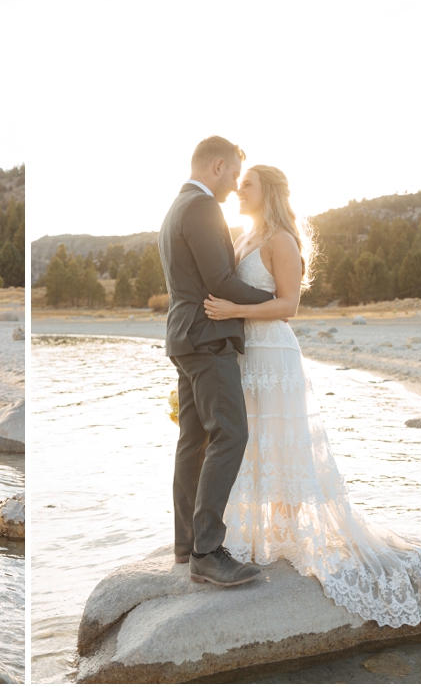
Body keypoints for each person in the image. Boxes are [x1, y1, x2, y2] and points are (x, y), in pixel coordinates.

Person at [203, 165, 421, 627]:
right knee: (251, 441)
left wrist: (234, 310)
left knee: (284, 445)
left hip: (273, 352)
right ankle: (261, 537)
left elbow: (289, 306)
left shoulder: (282, 240)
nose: (239, 190)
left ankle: (290, 536)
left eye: (247, 185)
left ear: (269, 192)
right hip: (243, 355)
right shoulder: (242, 236)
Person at [158, 136, 275, 587]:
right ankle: (207, 551)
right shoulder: (203, 208)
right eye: (232, 177)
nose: (232, 188)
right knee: (230, 434)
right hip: (207, 339)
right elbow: (221, 281)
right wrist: (276, 300)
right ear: (219, 166)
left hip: (183, 337)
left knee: (193, 440)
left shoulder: (176, 206)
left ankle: (186, 544)